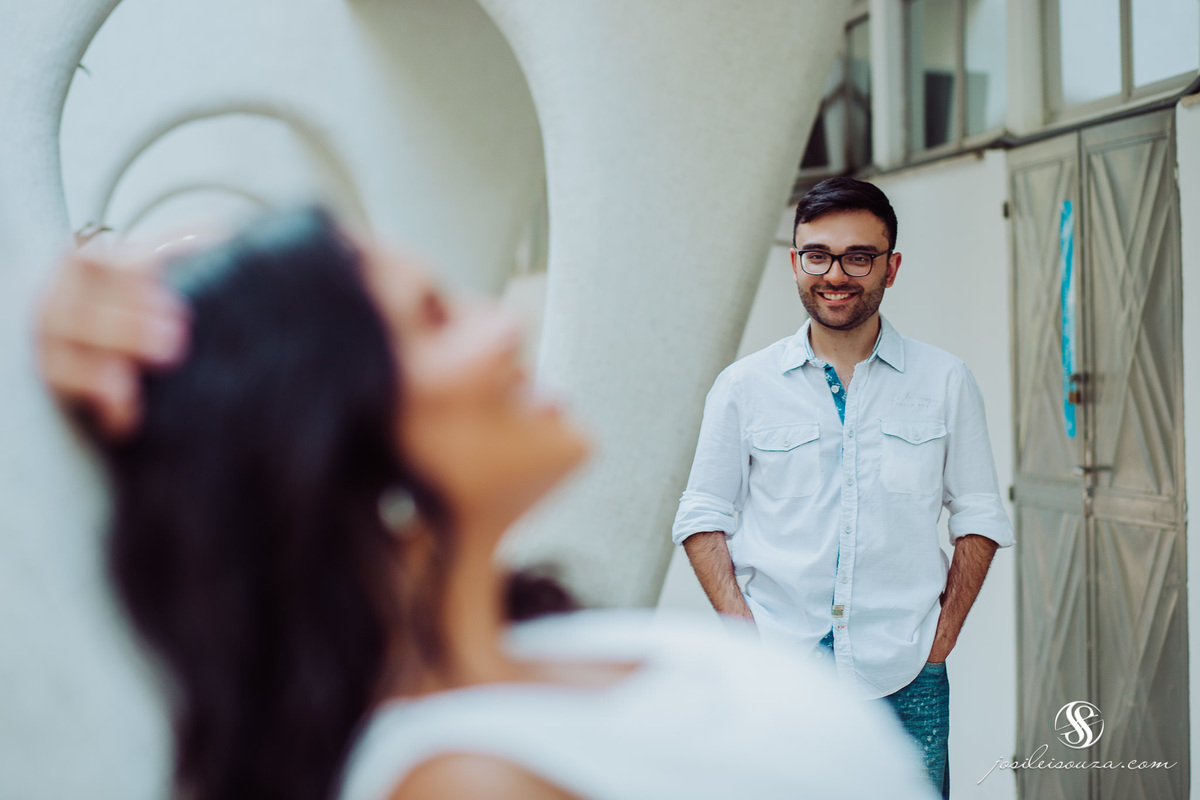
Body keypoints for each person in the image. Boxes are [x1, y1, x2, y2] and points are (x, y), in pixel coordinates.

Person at [36, 207, 938, 800]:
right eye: (433, 319)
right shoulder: (466, 777)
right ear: (332, 444)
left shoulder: (539, 647)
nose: (503, 326)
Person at [673, 177, 1014, 798]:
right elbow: (701, 514)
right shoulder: (744, 387)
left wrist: (941, 640)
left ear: (892, 267)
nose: (836, 273)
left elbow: (980, 515)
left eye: (859, 256)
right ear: (796, 261)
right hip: (780, 671)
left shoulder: (945, 381)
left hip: (906, 671)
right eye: (818, 255)